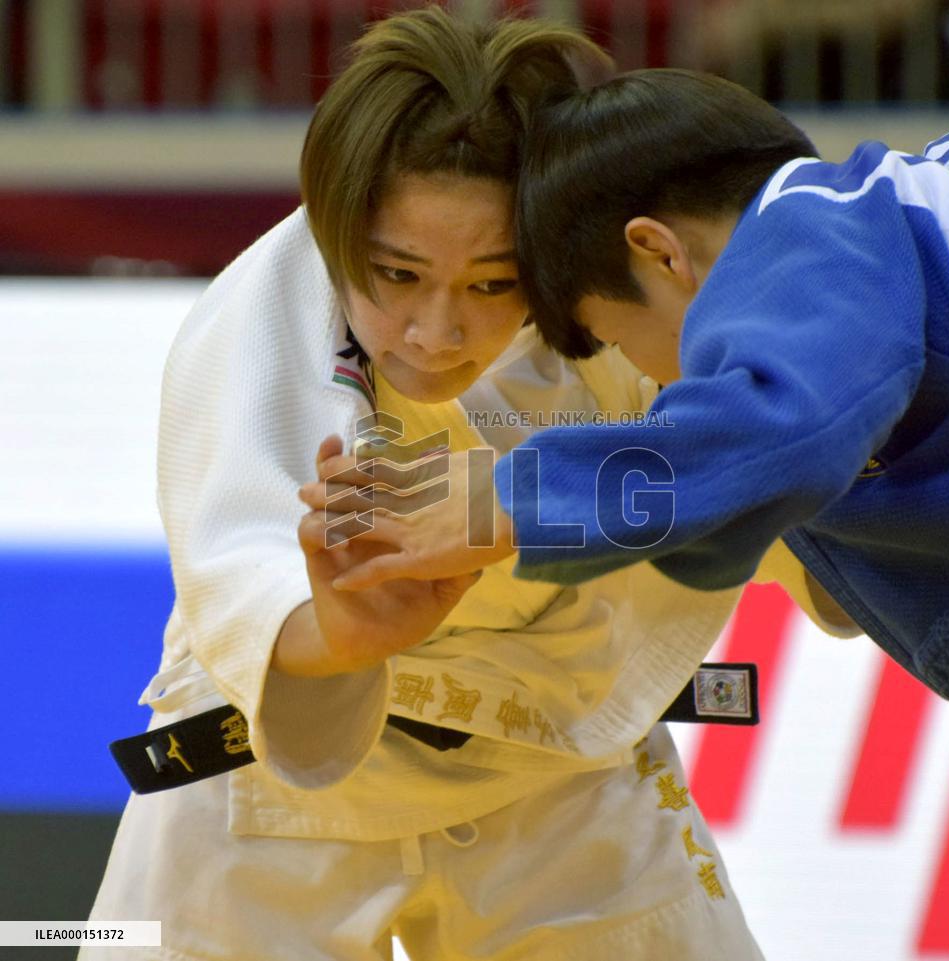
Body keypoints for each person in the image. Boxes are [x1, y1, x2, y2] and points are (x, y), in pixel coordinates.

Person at [82, 20, 774, 961]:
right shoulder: (261, 315)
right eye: (396, 274)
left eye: (493, 283)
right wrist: (333, 634)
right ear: (334, 228)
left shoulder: (609, 299)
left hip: (557, 758)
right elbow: (239, 569)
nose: (435, 331)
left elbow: (750, 470)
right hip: (267, 772)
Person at [327, 69, 949, 726]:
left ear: (659, 252)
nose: (649, 378)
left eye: (612, 336)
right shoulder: (915, 210)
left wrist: (504, 502)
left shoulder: (810, 233)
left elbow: (782, 429)